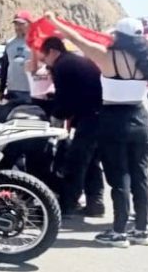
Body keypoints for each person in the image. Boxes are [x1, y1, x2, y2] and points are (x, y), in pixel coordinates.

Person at [45, 13, 148, 247]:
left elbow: (77, 38)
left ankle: (118, 231)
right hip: (141, 118)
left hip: (115, 119)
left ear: (118, 36)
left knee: (119, 176)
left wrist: (54, 21)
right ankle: (142, 230)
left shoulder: (108, 57)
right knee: (140, 175)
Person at [37, 36, 105, 218]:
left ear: (52, 52)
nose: (45, 63)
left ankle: (68, 205)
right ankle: (95, 204)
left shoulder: (62, 66)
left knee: (76, 161)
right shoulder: (75, 61)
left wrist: (55, 117)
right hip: (100, 114)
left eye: (44, 58)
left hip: (90, 117)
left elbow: (65, 98)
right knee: (91, 162)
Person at [0, 11, 34, 104]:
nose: (18, 27)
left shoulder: (36, 43)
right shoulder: (10, 44)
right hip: (13, 90)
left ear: (29, 24)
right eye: (16, 24)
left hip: (31, 91)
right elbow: (4, 67)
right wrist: (1, 89)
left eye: (21, 24)